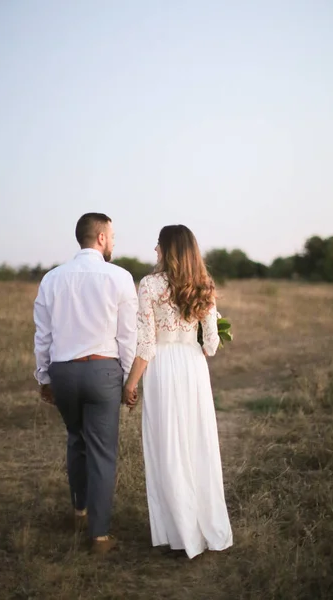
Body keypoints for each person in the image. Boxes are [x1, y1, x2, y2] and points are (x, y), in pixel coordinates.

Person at [123, 224, 233, 559]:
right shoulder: (204, 285)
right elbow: (212, 345)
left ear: (168, 249)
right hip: (193, 367)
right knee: (196, 442)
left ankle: (180, 531)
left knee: (169, 443)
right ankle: (202, 525)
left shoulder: (149, 285)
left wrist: (130, 383)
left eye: (158, 245)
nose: (154, 250)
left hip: (163, 367)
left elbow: (145, 343)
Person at [34, 212, 138, 556]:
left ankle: (79, 510)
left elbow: (43, 336)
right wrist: (128, 381)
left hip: (63, 371)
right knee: (103, 452)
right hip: (103, 372)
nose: (114, 241)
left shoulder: (52, 279)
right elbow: (127, 336)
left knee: (76, 438)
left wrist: (44, 377)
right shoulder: (120, 277)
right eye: (113, 235)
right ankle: (100, 536)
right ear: (102, 238)